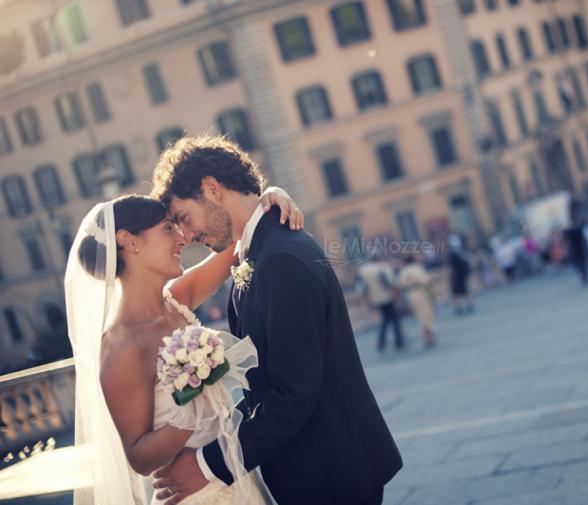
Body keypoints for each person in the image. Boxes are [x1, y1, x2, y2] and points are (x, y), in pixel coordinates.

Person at [150, 136, 402, 505]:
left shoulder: (281, 258)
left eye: (183, 219)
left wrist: (206, 464)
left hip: (331, 474)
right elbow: (262, 386)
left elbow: (293, 395)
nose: (187, 237)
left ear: (211, 188)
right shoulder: (260, 252)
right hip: (314, 468)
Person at [65, 185, 304, 505]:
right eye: (167, 228)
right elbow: (138, 457)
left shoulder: (178, 300)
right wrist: (189, 410)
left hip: (236, 477)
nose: (182, 238)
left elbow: (240, 239)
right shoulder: (122, 347)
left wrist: (272, 195)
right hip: (194, 494)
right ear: (129, 241)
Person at [357, 254, 406, 352]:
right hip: (387, 297)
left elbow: (363, 289)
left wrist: (367, 301)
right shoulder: (381, 269)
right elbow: (388, 284)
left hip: (376, 299)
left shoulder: (363, 271)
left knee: (385, 319)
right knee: (394, 319)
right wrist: (395, 296)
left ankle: (381, 342)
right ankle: (398, 342)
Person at [398, 256, 437, 347]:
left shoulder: (404, 271)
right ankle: (429, 335)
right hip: (422, 291)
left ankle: (426, 336)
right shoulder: (417, 268)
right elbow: (426, 281)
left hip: (411, 294)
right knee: (427, 313)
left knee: (419, 314)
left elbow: (401, 284)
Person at [447, 234, 474, 315]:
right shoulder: (462, 252)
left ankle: (459, 308)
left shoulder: (452, 254)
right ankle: (469, 305)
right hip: (462, 275)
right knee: (465, 291)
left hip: (456, 276)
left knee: (455, 293)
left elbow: (450, 267)